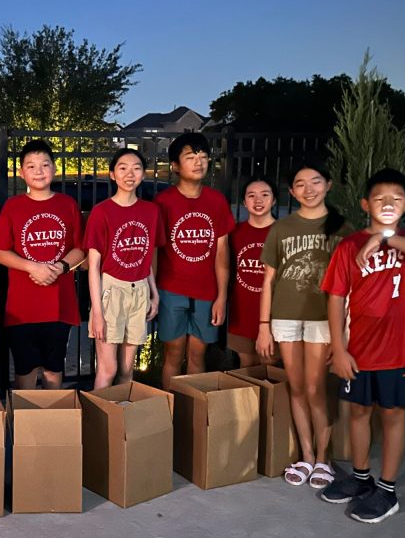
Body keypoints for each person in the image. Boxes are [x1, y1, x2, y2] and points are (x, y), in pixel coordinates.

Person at [321, 168, 405, 523]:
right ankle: (361, 478)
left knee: (392, 414)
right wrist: (339, 349)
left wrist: (385, 237)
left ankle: (387, 490)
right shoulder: (348, 246)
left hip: (396, 350)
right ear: (365, 204)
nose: (387, 204)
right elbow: (335, 298)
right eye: (379, 198)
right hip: (358, 349)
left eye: (395, 199)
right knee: (358, 412)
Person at [257, 160, 352, 489]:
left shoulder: (341, 228)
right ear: (292, 191)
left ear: (328, 185)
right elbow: (268, 281)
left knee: (315, 388)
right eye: (300, 184)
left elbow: (350, 285)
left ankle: (324, 458)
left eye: (315, 182)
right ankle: (307, 455)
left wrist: (342, 335)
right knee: (296, 387)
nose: (308, 189)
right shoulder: (281, 228)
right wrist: (263, 325)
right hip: (285, 317)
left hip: (322, 319)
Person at [0, 139, 85, 389]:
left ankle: (52, 412)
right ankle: (25, 413)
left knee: (54, 369)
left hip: (59, 303)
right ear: (22, 173)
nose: (39, 171)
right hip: (23, 307)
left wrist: (60, 267)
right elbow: (1, 253)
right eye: (31, 166)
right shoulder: (13, 207)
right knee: (26, 368)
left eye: (45, 164)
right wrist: (33, 267)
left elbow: (80, 249)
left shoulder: (67, 204)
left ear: (54, 168)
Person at [154, 133, 235, 387]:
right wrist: (152, 291)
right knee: (173, 354)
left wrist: (221, 296)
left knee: (198, 354)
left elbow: (222, 252)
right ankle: (170, 406)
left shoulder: (216, 200)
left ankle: (193, 406)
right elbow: (154, 251)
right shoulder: (163, 202)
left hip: (207, 292)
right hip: (171, 290)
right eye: (190, 157)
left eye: (203, 156)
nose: (199, 162)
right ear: (175, 166)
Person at [86, 148, 165, 389]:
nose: (130, 174)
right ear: (112, 174)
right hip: (111, 291)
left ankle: (122, 411)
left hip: (139, 290)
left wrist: (154, 293)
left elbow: (145, 257)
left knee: (127, 369)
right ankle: (98, 412)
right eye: (123, 168)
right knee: (107, 369)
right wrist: (97, 313)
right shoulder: (102, 211)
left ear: (143, 174)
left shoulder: (151, 211)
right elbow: (93, 266)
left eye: (136, 168)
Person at [228, 175, 278, 368]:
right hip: (242, 311)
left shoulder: (283, 232)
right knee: (246, 365)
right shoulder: (235, 233)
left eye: (265, 195)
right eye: (251, 195)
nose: (258, 200)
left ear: (274, 200)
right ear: (243, 201)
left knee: (270, 365)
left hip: (275, 315)